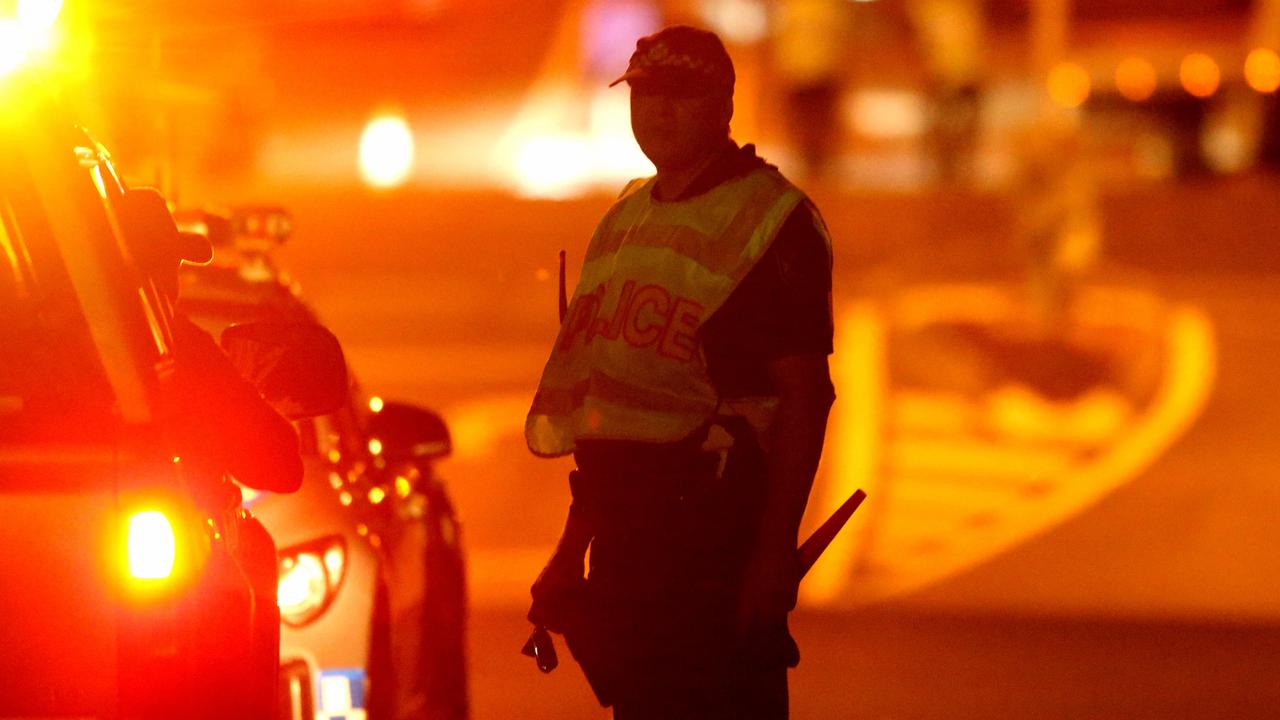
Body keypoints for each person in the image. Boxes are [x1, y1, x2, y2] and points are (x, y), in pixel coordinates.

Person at [525, 25, 835, 720]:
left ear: (725, 104)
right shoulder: (624, 220)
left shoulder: (771, 222)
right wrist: (569, 551)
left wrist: (771, 554)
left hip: (713, 547)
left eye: (681, 95)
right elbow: (608, 413)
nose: (658, 111)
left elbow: (805, 396)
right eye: (645, 93)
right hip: (628, 548)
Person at [121, 187, 303, 493]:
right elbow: (280, 465)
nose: (171, 277)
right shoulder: (184, 348)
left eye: (172, 263)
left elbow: (282, 467)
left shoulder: (184, 345)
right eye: (161, 262)